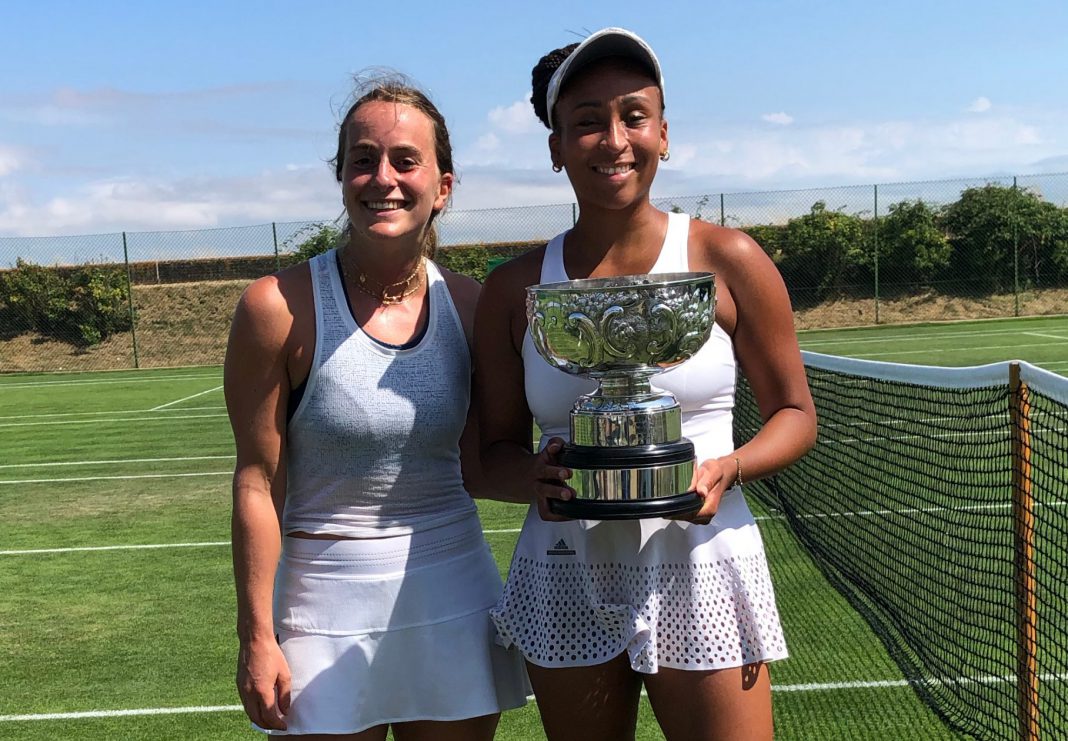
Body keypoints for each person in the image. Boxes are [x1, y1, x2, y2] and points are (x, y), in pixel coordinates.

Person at [474, 28, 817, 741]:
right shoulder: (514, 289)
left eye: (633, 115)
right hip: (566, 567)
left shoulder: (729, 258)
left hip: (705, 557)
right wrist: (534, 479)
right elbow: (490, 454)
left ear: (664, 133)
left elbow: (795, 412)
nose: (614, 139)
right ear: (556, 147)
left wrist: (730, 466)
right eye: (588, 121)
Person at [224, 74, 529, 739]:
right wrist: (256, 635)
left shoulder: (475, 307)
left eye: (404, 160)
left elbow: (486, 463)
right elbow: (256, 480)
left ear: (443, 186)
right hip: (319, 609)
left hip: (454, 595)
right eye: (362, 160)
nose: (381, 177)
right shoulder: (276, 307)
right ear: (341, 178)